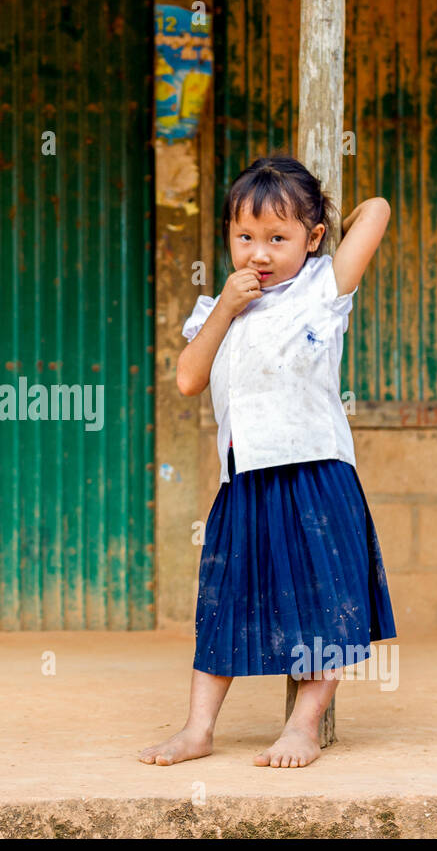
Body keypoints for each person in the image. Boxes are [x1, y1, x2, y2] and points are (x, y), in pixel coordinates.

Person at [141, 154, 396, 769]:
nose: (259, 252)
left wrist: (318, 236)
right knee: (222, 602)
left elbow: (379, 212)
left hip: (316, 473)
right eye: (245, 237)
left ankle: (303, 727)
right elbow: (187, 379)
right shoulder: (216, 309)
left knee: (323, 602)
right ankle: (198, 729)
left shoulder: (324, 287)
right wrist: (227, 307)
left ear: (310, 240)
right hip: (245, 478)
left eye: (278, 238)